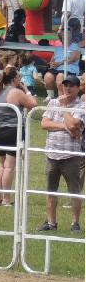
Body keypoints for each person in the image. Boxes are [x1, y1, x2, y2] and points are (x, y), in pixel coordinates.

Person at [36, 75, 84, 232]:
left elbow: (74, 124)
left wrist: (64, 108)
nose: (67, 88)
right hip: (52, 154)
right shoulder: (53, 102)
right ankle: (51, 222)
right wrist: (64, 126)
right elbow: (44, 124)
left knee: (74, 191)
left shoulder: (81, 106)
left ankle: (75, 223)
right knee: (51, 190)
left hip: (71, 156)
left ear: (78, 89)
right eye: (65, 85)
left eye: (71, 86)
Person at [0, 67, 38, 206]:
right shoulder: (16, 92)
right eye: (19, 76)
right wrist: (27, 90)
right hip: (12, 130)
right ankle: (6, 198)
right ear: (14, 79)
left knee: (2, 164)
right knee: (10, 166)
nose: (20, 79)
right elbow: (34, 104)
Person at [43, 29, 82, 99]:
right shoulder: (58, 48)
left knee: (60, 76)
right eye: (63, 36)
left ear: (70, 37)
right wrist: (52, 64)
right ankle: (50, 96)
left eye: (67, 36)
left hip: (69, 68)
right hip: (57, 68)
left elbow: (72, 59)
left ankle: (61, 97)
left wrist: (59, 63)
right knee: (47, 76)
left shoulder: (74, 46)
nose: (64, 38)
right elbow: (52, 59)